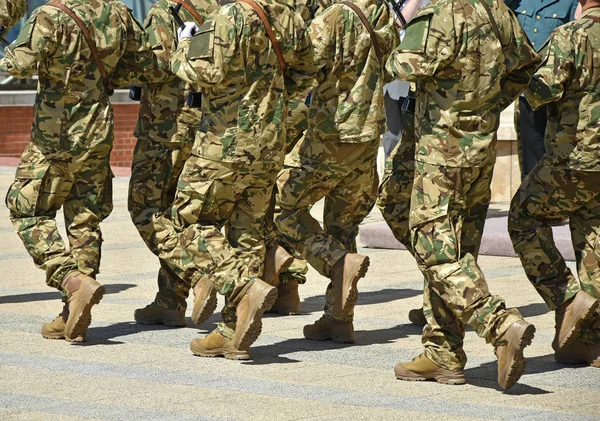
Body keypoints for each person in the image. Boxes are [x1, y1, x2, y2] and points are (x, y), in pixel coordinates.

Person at [385, 0, 541, 389]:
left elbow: (403, 66)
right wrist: (485, 105)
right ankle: (443, 351)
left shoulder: (440, 10)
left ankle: (498, 322)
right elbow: (524, 64)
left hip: (442, 151)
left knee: (435, 248)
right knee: (460, 246)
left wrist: (399, 24)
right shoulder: (498, 9)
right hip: (478, 145)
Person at [153, 0, 316, 359]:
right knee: (249, 235)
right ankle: (231, 329)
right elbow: (306, 71)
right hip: (269, 142)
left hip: (223, 143)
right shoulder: (287, 16)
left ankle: (242, 287)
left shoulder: (227, 17)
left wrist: (182, 45)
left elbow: (203, 72)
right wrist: (268, 98)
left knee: (185, 222)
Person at [2, 0, 165, 342]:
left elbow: (16, 65)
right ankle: (74, 313)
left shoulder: (50, 15)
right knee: (84, 218)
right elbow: (145, 66)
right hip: (99, 130)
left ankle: (70, 279)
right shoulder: (119, 13)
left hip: (55, 135)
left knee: (25, 209)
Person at [274, 0, 399, 343]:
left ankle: (336, 262)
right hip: (368, 135)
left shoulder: (333, 16)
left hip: (332, 135)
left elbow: (303, 69)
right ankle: (339, 318)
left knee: (278, 206)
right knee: (343, 225)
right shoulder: (382, 12)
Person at [508, 0, 600, 367]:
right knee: (593, 240)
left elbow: (541, 92)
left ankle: (566, 298)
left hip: (572, 159)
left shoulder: (571, 35)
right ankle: (588, 343)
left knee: (523, 218)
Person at [128, 0, 220, 328]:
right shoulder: (214, 9)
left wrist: (128, 62)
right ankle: (169, 300)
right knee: (176, 215)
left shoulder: (163, 11)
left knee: (144, 208)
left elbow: (158, 66)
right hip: (204, 127)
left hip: (165, 127)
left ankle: (197, 272)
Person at [506, 0, 579, 179]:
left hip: (556, 93)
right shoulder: (516, 2)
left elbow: (574, 41)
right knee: (530, 158)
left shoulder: (571, 2)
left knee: (557, 157)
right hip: (526, 91)